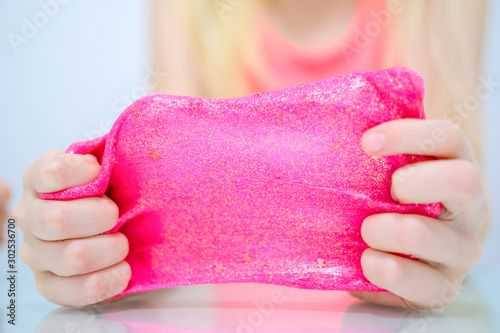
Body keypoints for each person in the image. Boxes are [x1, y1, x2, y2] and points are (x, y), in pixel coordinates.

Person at [13, 0, 489, 308]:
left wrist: (455, 237)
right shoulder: (188, 10)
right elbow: (170, 207)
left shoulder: (441, 9)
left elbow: (456, 186)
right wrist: (70, 229)